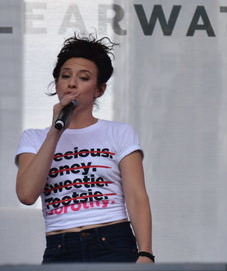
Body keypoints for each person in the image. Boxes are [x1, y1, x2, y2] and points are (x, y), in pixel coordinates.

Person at [15, 33, 154, 264]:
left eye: (84, 77)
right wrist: (55, 133)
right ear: (56, 83)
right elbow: (27, 195)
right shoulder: (34, 138)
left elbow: (136, 196)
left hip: (113, 242)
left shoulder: (119, 132)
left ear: (99, 90)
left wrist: (146, 252)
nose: (72, 83)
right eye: (65, 76)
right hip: (60, 246)